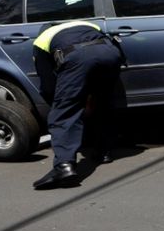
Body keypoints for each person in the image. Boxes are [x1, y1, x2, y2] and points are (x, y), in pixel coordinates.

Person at [30, 20, 126, 190]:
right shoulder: (88, 25)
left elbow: (48, 84)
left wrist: (59, 103)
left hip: (78, 57)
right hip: (111, 53)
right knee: (102, 101)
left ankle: (64, 167)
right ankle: (103, 152)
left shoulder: (41, 40)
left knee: (64, 113)